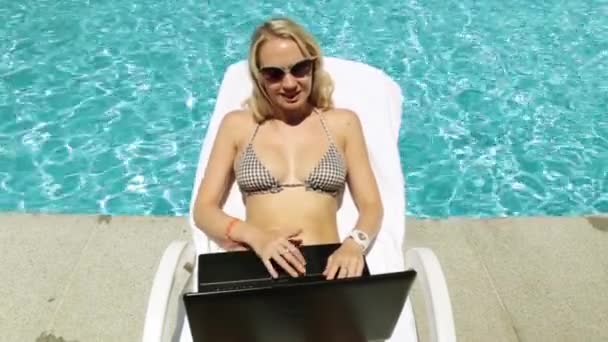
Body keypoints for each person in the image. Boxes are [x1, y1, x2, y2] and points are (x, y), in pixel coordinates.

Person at [192, 17, 383, 281]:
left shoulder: (343, 123)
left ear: (314, 66)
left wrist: (354, 245)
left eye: (300, 68)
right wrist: (255, 236)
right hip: (259, 268)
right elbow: (203, 210)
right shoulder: (238, 126)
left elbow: (372, 205)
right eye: (274, 74)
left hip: (328, 270)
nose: (290, 83)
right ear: (259, 78)